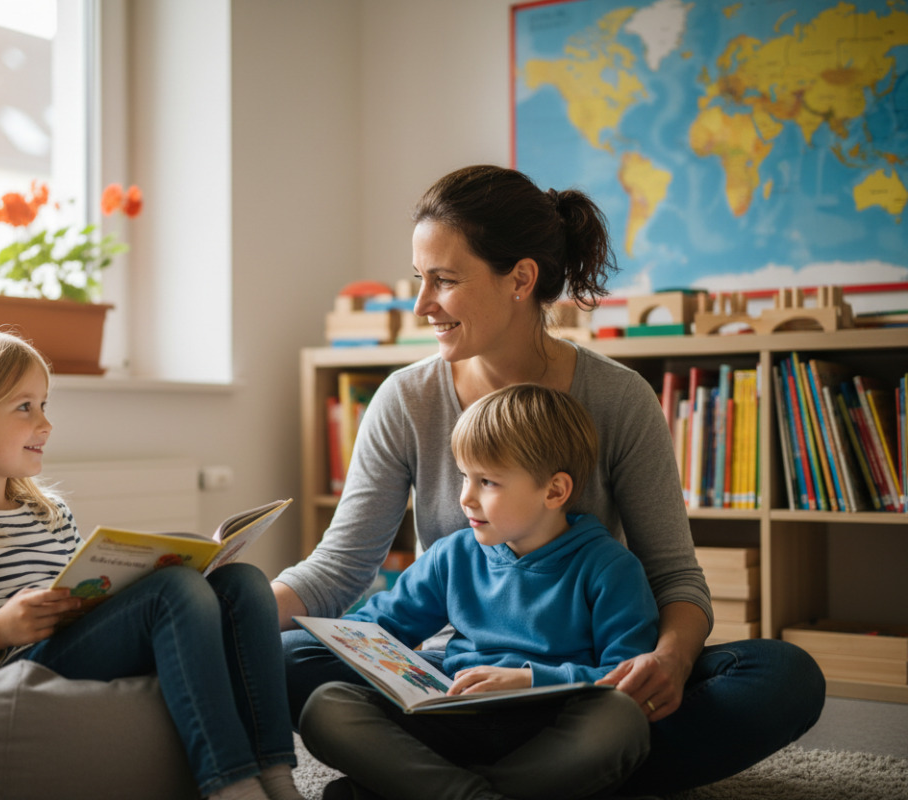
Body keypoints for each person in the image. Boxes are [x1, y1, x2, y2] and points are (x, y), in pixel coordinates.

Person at [274, 165, 825, 796]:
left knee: (782, 674)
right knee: (291, 659)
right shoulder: (406, 400)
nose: (422, 305)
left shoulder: (618, 399)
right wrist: (240, 607)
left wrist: (666, 665)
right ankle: (553, 784)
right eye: (419, 280)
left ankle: (426, 784)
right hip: (460, 687)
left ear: (521, 279)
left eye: (445, 281)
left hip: (584, 691)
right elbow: (342, 570)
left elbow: (673, 576)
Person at [0, 326, 303, 800]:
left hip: (77, 642)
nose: (45, 424)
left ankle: (279, 778)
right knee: (173, 592)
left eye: (44, 405)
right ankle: (233, 786)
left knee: (242, 581)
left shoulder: (49, 511)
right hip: (22, 664)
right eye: (24, 407)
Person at [300, 384, 659, 800]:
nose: (466, 498)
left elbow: (626, 678)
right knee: (327, 706)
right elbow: (378, 624)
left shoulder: (610, 568)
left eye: (487, 481)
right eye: (464, 477)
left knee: (621, 720)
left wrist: (528, 680)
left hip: (547, 727)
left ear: (555, 491)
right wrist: (353, 642)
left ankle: (427, 790)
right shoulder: (453, 555)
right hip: (454, 717)